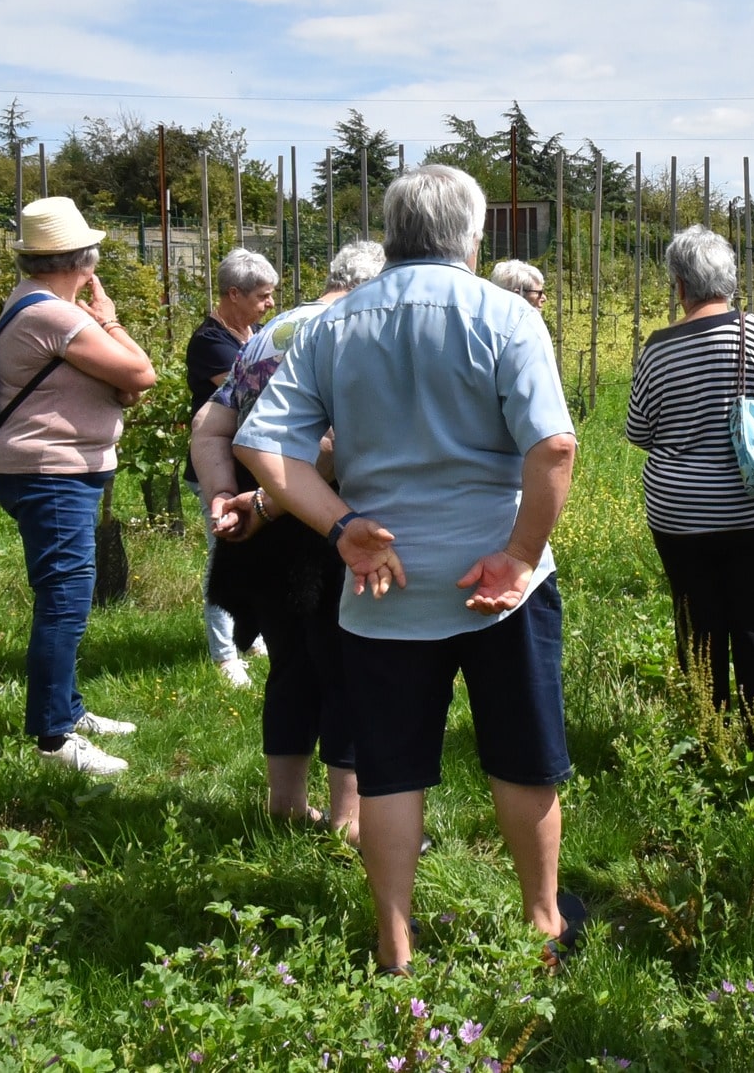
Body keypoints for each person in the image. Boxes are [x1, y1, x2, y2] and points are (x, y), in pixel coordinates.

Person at [235, 166, 582, 974]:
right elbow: (555, 445)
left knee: (390, 766)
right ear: (473, 235)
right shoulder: (506, 316)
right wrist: (522, 554)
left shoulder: (331, 324)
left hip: (380, 584)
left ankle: (394, 944)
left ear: (390, 234)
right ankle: (543, 923)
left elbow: (261, 444)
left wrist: (343, 525)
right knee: (521, 753)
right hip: (499, 583)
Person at [190, 240, 386, 838]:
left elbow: (209, 422)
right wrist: (270, 505)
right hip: (323, 527)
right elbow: (329, 448)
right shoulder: (352, 330)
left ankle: (285, 803)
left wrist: (225, 496)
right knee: (346, 669)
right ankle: (349, 819)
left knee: (290, 667)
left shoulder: (274, 327)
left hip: (261, 531)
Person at [0, 197, 157, 777]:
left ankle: (67, 708)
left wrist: (118, 377)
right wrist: (108, 319)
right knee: (64, 601)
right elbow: (141, 373)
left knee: (67, 597)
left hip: (60, 470)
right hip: (49, 472)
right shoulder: (56, 316)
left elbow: (126, 384)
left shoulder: (39, 307)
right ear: (82, 259)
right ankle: (55, 738)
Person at [627, 226, 754, 718]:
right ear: (730, 282)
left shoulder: (656, 349)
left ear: (681, 286)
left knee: (699, 627)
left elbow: (639, 431)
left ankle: (708, 730)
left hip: (684, 517)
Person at [186, 247, 279, 688]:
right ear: (233, 294)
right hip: (215, 471)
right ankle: (225, 655)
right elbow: (253, 394)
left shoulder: (254, 334)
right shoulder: (210, 343)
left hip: (251, 467)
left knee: (256, 553)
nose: (270, 305)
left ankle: (252, 633)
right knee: (224, 554)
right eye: (262, 296)